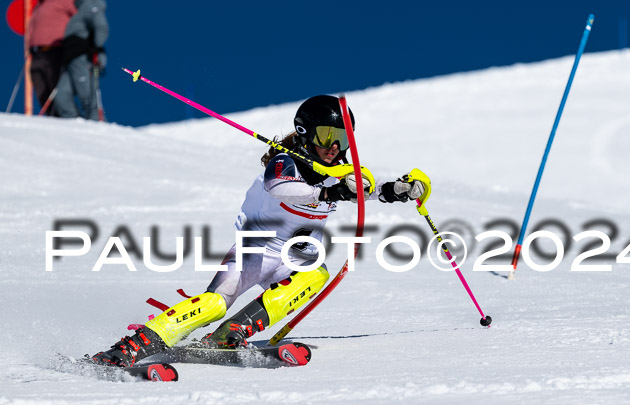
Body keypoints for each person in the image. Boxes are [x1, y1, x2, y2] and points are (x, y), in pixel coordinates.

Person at [91, 95, 425, 367]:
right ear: (306, 132)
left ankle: (233, 331)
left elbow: (371, 188)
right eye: (326, 136)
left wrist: (400, 189)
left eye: (341, 139)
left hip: (295, 257)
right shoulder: (286, 159)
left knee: (315, 274)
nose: (334, 147)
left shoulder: (337, 170)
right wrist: (329, 192)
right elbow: (279, 186)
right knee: (215, 303)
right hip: (257, 249)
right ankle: (133, 346)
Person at [53, 0, 108, 120]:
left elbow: (101, 27)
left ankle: (98, 129)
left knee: (88, 98)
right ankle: (77, 127)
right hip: (71, 61)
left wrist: (97, 49)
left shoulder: (91, 5)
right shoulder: (79, 12)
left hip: (83, 59)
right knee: (61, 97)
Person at [27, 0, 77, 116]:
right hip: (36, 54)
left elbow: (79, 18)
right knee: (42, 90)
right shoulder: (38, 5)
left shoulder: (65, 1)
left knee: (57, 92)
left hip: (56, 51)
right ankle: (53, 120)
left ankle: (69, 119)